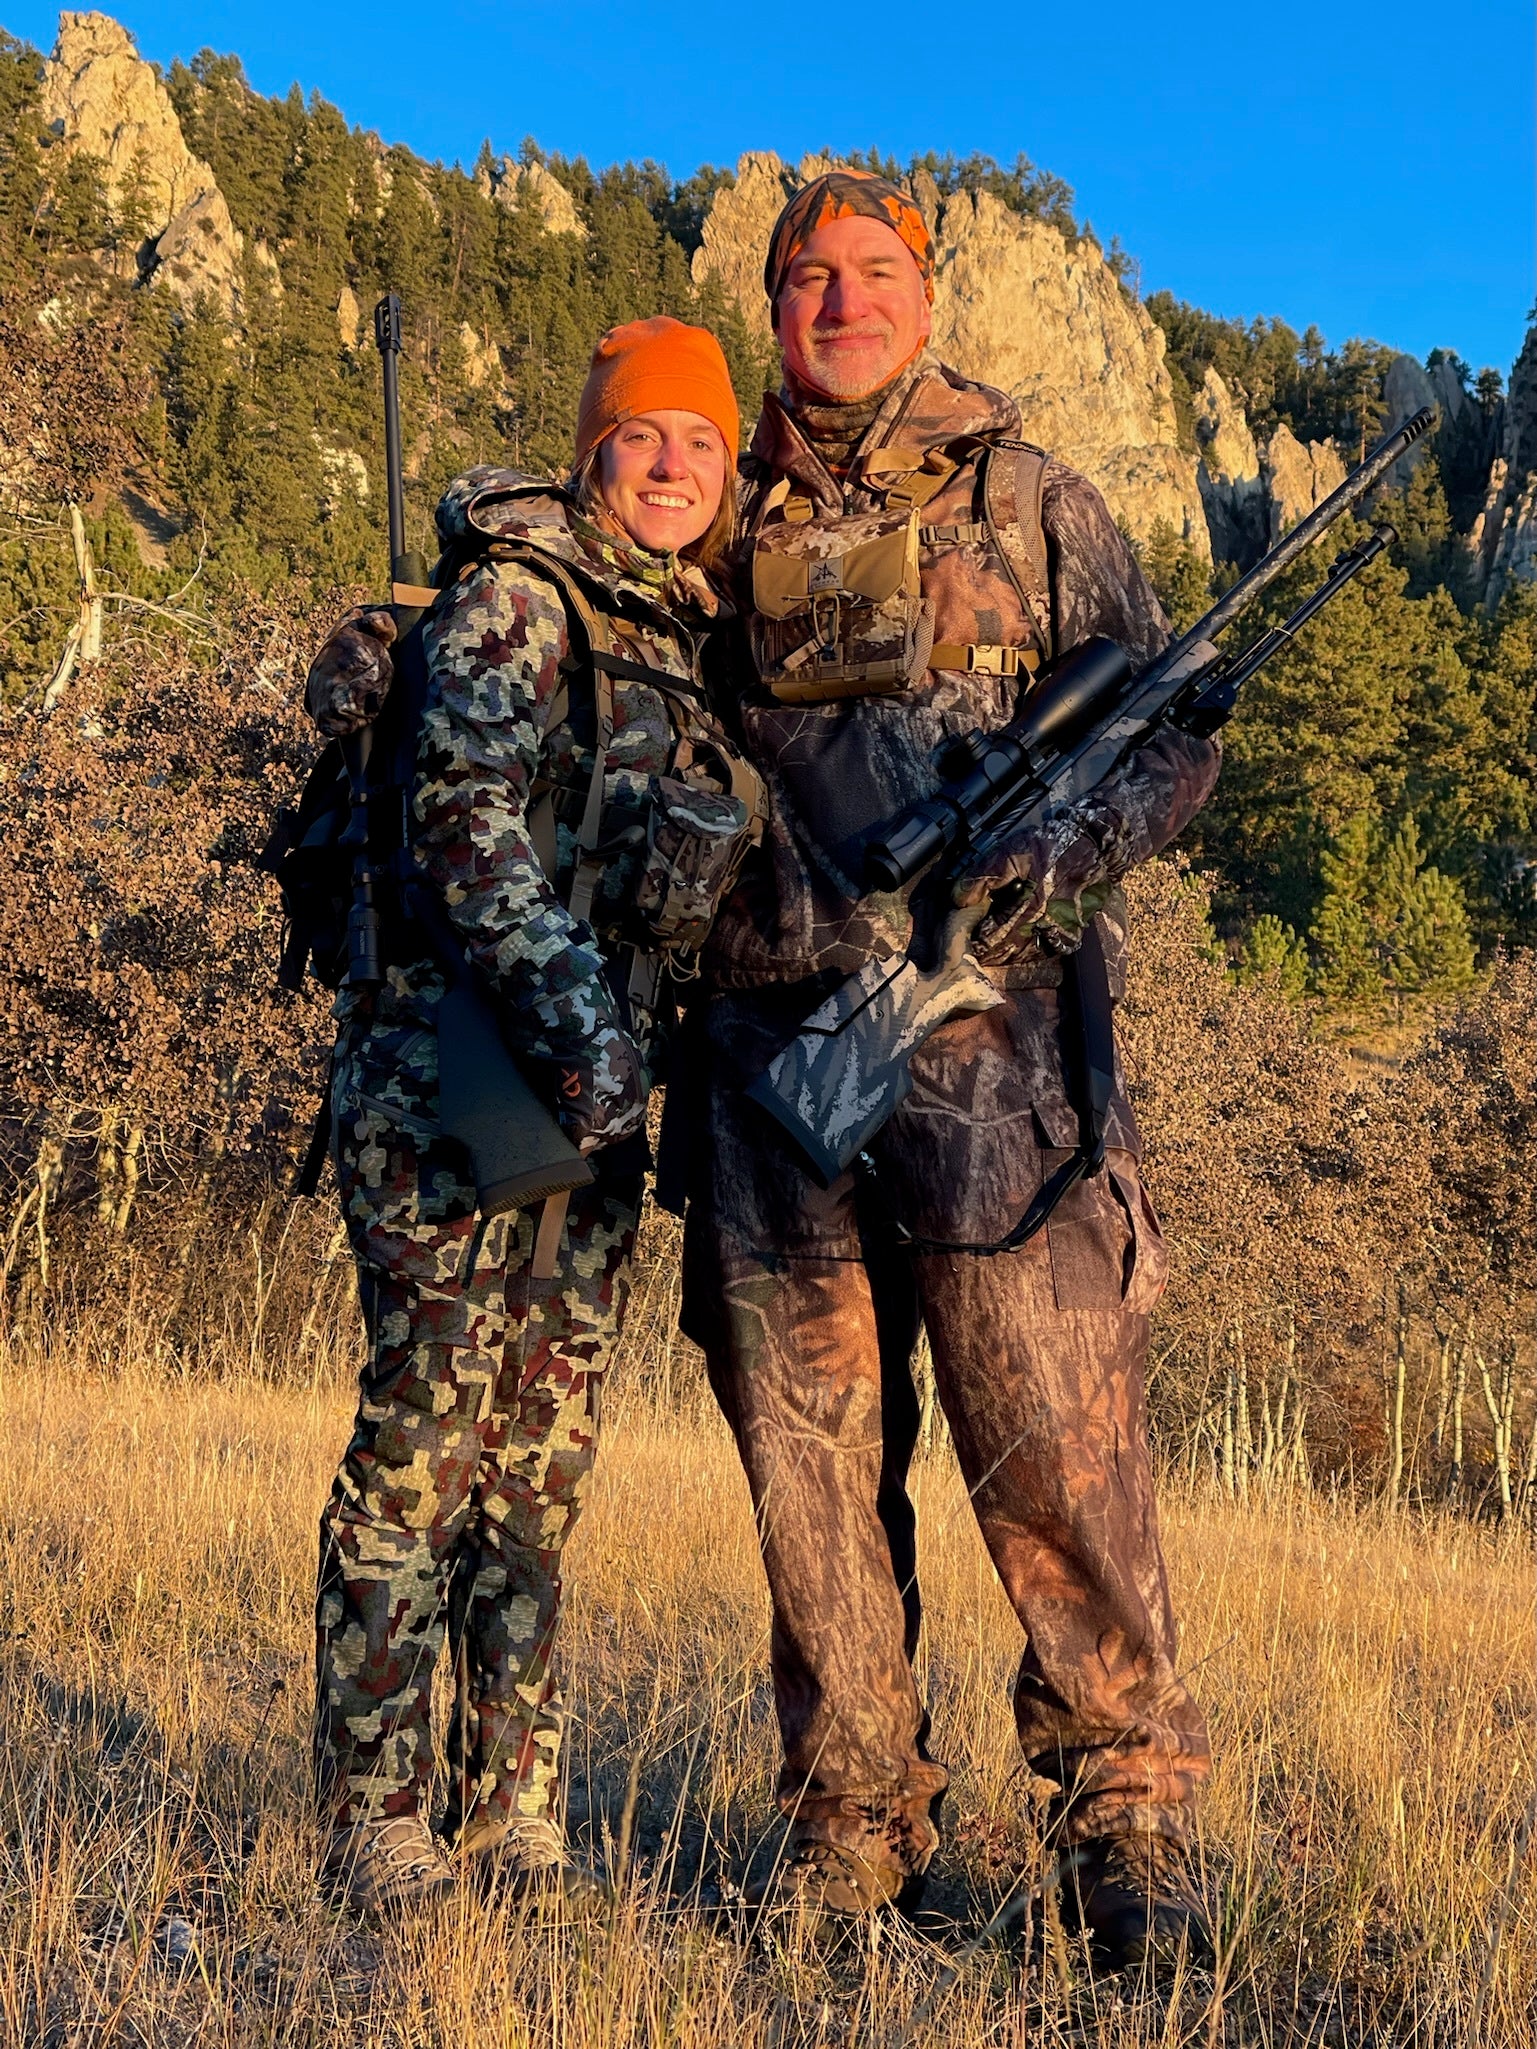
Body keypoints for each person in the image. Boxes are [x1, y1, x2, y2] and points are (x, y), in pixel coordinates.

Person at [675, 170, 1222, 1969]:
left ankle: (1121, 1829)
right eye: (806, 275)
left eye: (874, 272)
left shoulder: (1035, 496)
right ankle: (850, 1832)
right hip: (773, 1074)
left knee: (1053, 1456)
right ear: (768, 306)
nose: (840, 301)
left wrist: (1055, 858)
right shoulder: (699, 508)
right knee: (811, 1470)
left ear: (929, 291)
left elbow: (1169, 737)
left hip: (996, 1072)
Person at [305, 315, 760, 1914]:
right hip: (452, 1082)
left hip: (585, 1107)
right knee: (423, 1449)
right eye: (642, 435)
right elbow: (460, 825)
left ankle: (513, 1818)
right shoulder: (521, 594)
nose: (669, 466)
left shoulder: (671, 636)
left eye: (700, 443)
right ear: (591, 448)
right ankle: (377, 1817)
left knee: (537, 1471)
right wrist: (587, 1042)